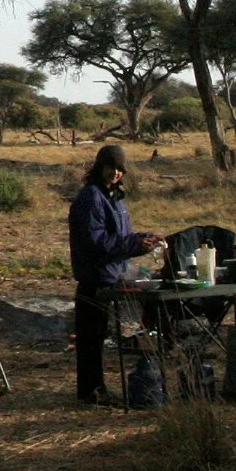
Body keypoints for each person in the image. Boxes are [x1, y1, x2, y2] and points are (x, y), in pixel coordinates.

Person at [68, 143, 164, 404]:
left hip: (113, 277)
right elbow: (96, 243)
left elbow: (118, 237)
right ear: (100, 167)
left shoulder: (115, 197)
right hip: (94, 279)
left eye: (120, 169)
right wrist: (133, 246)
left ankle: (95, 391)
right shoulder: (91, 197)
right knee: (91, 341)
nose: (116, 173)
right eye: (111, 167)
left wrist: (142, 238)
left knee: (99, 337)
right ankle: (92, 393)